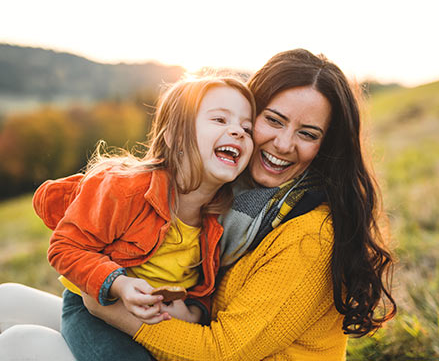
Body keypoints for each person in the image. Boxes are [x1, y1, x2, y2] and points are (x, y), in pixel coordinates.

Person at [0, 48, 396, 360]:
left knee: (22, 344)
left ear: (326, 147)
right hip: (160, 321)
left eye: (307, 133)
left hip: (210, 352)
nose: (283, 144)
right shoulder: (235, 198)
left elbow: (223, 351)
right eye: (272, 120)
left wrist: (107, 303)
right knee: (8, 299)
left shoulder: (309, 233)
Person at [0, 76, 256, 361]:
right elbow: (64, 248)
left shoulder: (219, 217)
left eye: (247, 127)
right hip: (94, 307)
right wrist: (119, 284)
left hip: (152, 321)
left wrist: (193, 311)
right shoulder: (125, 189)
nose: (238, 132)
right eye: (220, 120)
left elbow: (202, 287)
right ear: (174, 136)